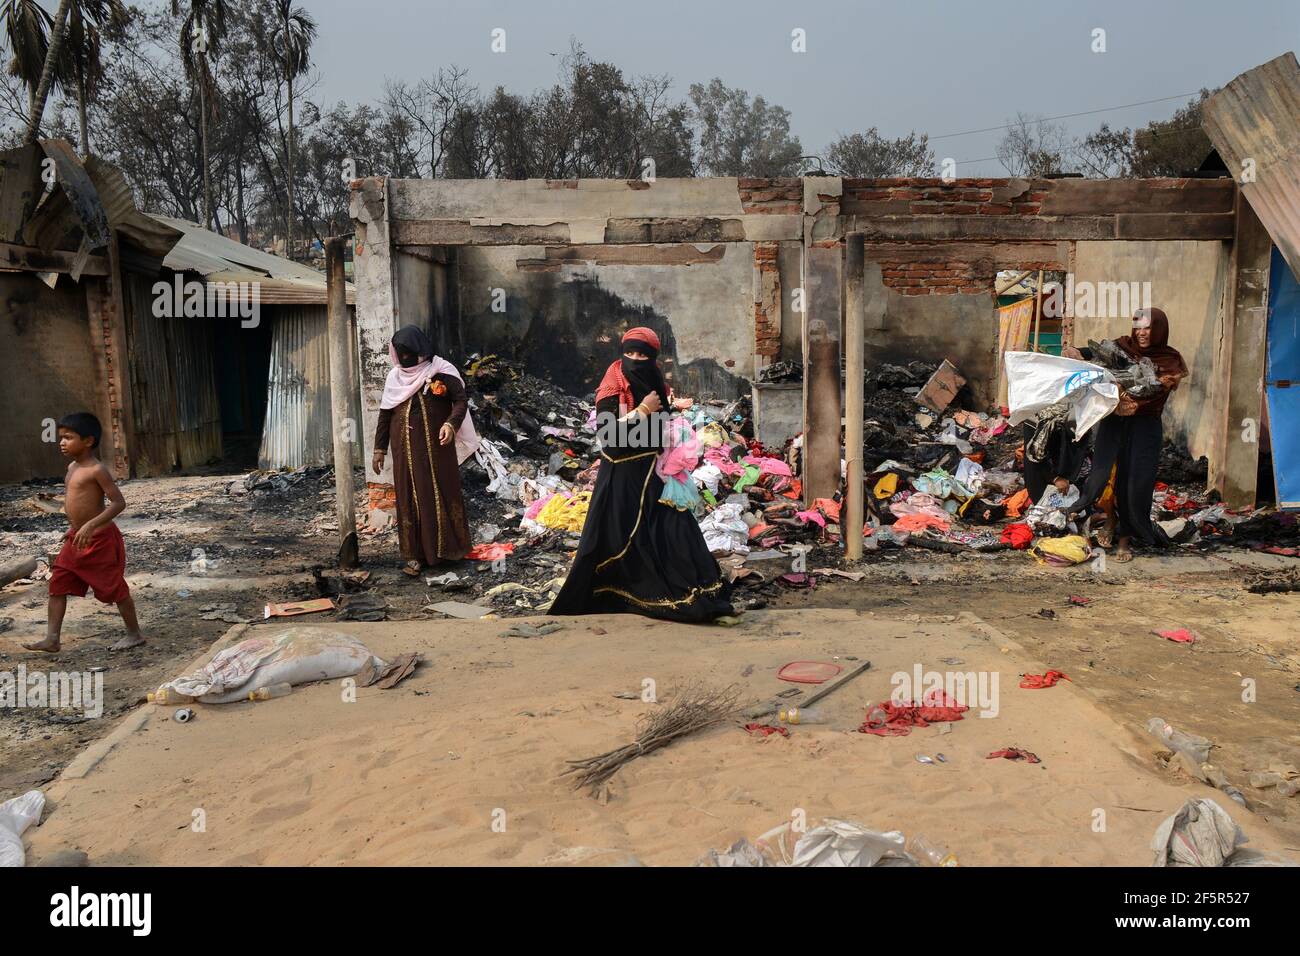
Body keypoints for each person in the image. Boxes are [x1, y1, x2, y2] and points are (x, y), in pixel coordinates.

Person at [550, 327, 733, 622]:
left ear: (652, 357)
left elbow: (662, 420)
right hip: (621, 475)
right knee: (618, 536)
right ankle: (621, 591)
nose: (635, 359)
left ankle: (686, 589)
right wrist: (642, 411)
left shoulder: (654, 378)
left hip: (653, 470)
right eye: (630, 353)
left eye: (643, 354)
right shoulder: (612, 384)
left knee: (672, 531)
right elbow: (608, 433)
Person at [1068, 307, 1188, 563]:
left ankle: (1125, 538)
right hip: (1114, 423)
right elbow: (1098, 352)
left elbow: (1156, 389)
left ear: (1159, 330)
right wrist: (1078, 352)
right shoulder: (1122, 346)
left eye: (1148, 328)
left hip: (1144, 428)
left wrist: (1129, 397)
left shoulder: (1169, 359)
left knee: (1134, 484)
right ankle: (1108, 522)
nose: (1142, 333)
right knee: (1102, 477)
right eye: (1139, 328)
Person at [24, 413, 145, 653]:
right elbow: (78, 503)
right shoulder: (72, 467)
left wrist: (90, 525)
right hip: (76, 539)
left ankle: (134, 634)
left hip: (98, 540)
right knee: (57, 583)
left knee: (113, 588)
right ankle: (52, 638)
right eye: (61, 437)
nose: (62, 442)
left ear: (88, 441)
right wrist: (74, 527)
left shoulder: (96, 470)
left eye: (68, 438)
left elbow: (118, 503)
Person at [372, 325, 479, 576]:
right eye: (402, 353)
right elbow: (386, 413)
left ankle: (447, 552)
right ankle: (413, 556)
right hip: (404, 451)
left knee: (438, 492)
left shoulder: (441, 371)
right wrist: (379, 448)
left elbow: (460, 400)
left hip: (436, 448)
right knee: (409, 497)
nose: (406, 359)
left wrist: (451, 424)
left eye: (410, 353)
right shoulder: (394, 378)